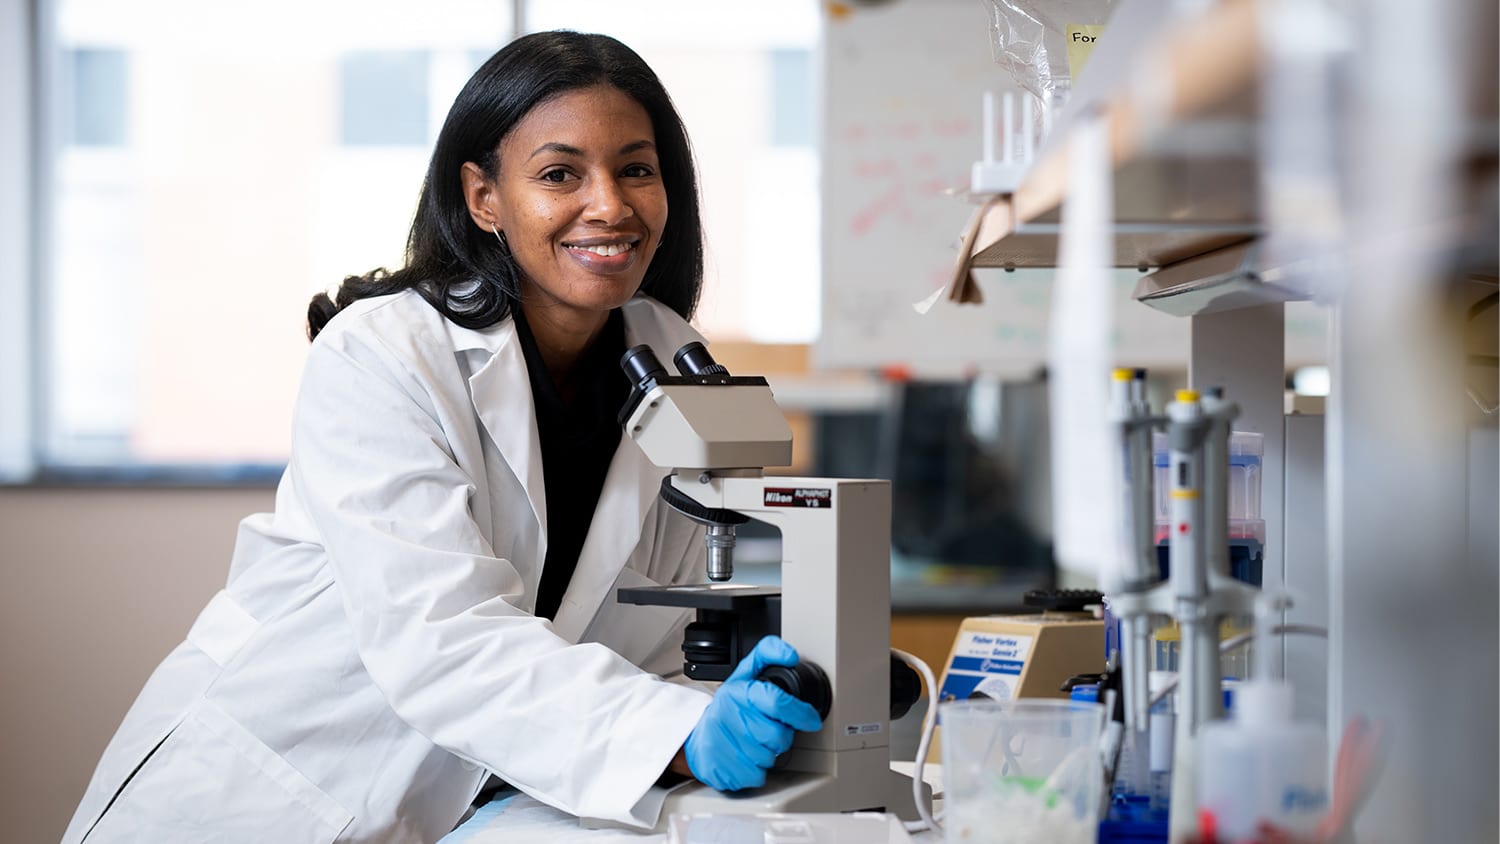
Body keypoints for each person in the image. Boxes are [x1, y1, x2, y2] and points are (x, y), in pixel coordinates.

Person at [63, 31, 823, 843]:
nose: (610, 205)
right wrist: (673, 734)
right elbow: (442, 636)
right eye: (560, 173)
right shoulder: (382, 355)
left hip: (484, 808)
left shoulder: (676, 367)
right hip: (272, 794)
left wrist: (719, 711)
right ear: (483, 196)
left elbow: (646, 645)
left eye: (636, 168)